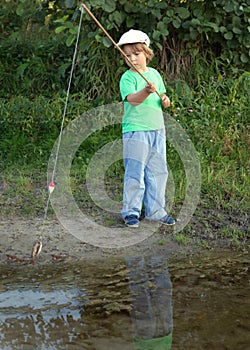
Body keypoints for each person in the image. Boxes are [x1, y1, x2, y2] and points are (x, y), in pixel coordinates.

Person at [118, 29, 175, 228]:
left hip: (157, 129)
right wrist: (145, 91)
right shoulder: (128, 78)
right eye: (128, 55)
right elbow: (133, 100)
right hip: (136, 130)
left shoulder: (155, 75)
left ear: (146, 53)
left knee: (158, 171)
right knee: (135, 171)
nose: (133, 58)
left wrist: (165, 100)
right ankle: (131, 211)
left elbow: (162, 97)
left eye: (136, 53)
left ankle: (156, 211)